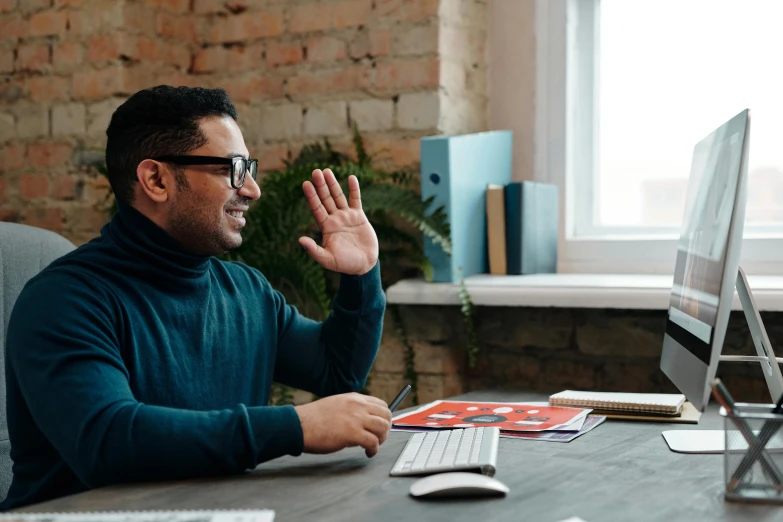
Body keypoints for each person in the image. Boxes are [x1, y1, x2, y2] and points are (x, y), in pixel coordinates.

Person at [1, 85, 392, 510]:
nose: (253, 190)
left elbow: (337, 370)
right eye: (234, 169)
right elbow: (108, 443)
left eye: (250, 168)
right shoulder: (64, 300)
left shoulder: (246, 291)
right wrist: (295, 427)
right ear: (156, 179)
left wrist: (361, 276)